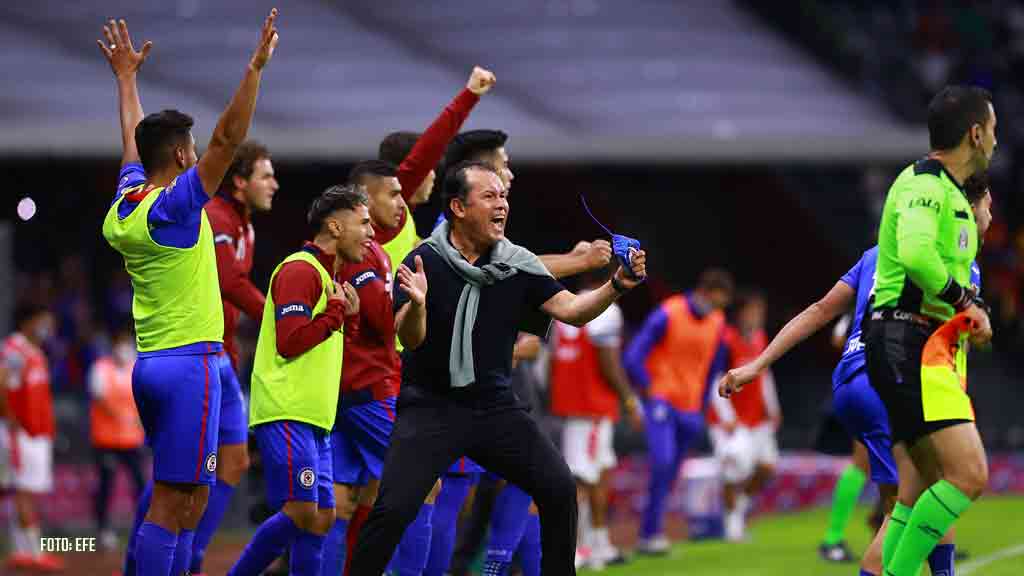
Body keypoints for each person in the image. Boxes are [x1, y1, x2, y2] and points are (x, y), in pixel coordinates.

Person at [348, 161, 647, 576]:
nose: (501, 203)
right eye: (489, 196)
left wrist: (615, 286)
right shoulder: (423, 261)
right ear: (458, 207)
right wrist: (418, 304)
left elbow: (574, 312)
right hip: (430, 407)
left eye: (503, 196)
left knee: (558, 487)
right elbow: (410, 339)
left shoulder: (518, 264)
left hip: (495, 407)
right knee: (393, 510)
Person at [718, 169, 993, 575]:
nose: (991, 216)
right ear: (966, 210)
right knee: (923, 497)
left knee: (917, 495)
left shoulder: (876, 255)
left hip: (851, 381)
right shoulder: (953, 262)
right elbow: (946, 347)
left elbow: (820, 312)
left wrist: (757, 365)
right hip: (892, 380)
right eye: (988, 206)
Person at [99, 11, 279, 576]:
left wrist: (126, 79)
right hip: (190, 366)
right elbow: (230, 137)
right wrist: (254, 69)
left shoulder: (129, 203)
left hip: (155, 366)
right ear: (181, 158)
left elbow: (133, 146)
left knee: (187, 500)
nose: (202, 153)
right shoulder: (177, 208)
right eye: (193, 148)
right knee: (179, 505)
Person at [866, 85, 994, 576]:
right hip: (908, 343)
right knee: (969, 475)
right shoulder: (923, 183)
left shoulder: (953, 195)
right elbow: (917, 255)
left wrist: (969, 313)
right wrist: (966, 302)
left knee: (921, 486)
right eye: (995, 130)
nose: (998, 142)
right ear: (976, 133)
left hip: (922, 344)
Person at [228, 185, 367, 575]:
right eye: (364, 222)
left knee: (322, 517)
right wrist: (336, 314)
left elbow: (325, 346)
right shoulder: (300, 270)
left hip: (315, 419)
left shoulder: (329, 277)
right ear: (336, 226)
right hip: (287, 411)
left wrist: (347, 320)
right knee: (302, 510)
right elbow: (290, 342)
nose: (370, 233)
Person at [321, 161, 433, 576]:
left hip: (338, 392)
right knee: (424, 486)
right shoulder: (365, 256)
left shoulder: (346, 253)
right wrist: (416, 306)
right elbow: (383, 326)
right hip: (372, 389)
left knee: (339, 503)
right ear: (365, 201)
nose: (401, 203)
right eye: (393, 194)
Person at [185, 140, 278, 575]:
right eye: (266, 175)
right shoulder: (217, 217)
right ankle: (147, 560)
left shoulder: (245, 227)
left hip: (224, 353)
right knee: (183, 470)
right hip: (198, 355)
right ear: (240, 182)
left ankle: (192, 557)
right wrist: (276, 318)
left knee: (235, 459)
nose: (274, 184)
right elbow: (229, 280)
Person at [623, 268, 733, 554]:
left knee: (671, 471)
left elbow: (713, 369)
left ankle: (652, 530)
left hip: (691, 409)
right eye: (715, 301)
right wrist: (648, 391)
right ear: (704, 292)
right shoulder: (669, 312)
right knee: (662, 461)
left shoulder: (718, 323)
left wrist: (704, 407)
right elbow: (634, 354)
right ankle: (650, 533)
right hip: (662, 401)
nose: (715, 309)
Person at [548, 266, 643, 569]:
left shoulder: (566, 301)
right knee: (581, 479)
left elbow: (551, 361)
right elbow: (608, 362)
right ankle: (573, 550)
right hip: (590, 405)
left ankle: (599, 544)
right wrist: (629, 399)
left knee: (599, 472)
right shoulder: (606, 308)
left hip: (572, 403)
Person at [707, 290, 780, 542]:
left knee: (768, 465)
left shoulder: (760, 337)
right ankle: (731, 525)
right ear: (740, 314)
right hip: (730, 419)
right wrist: (726, 415)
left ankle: (740, 506)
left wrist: (773, 406)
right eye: (752, 311)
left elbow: (765, 374)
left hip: (757, 418)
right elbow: (713, 378)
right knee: (733, 470)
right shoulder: (726, 340)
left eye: (760, 311)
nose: (757, 316)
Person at [1, 304, 61, 571]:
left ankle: (22, 550)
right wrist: (11, 419)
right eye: (43, 321)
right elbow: (1, 382)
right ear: (29, 321)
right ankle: (31, 553)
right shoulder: (15, 350)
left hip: (38, 432)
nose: (47, 327)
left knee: (26, 491)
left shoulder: (35, 352)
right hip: (21, 433)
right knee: (23, 490)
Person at [90, 325, 146, 552]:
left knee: (141, 486)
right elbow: (100, 396)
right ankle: (103, 530)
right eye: (120, 342)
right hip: (107, 442)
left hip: (132, 441)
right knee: (106, 486)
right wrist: (123, 416)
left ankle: (145, 528)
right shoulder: (100, 369)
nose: (124, 347)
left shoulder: (136, 366)